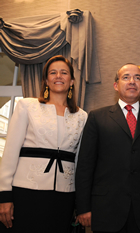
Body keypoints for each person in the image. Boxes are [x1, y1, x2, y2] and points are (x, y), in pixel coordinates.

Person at [75, 63, 140, 233]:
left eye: (137, 78)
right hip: (106, 210)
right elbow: (85, 166)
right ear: (116, 85)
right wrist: (83, 207)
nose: (132, 82)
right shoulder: (97, 117)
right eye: (126, 77)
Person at [0, 55, 87, 232]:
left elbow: (79, 162)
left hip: (65, 195)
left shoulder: (82, 116)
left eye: (64, 72)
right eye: (53, 72)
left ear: (71, 81)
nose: (58, 76)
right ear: (46, 81)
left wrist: (80, 201)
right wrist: (4, 196)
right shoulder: (27, 106)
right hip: (26, 191)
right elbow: (10, 153)